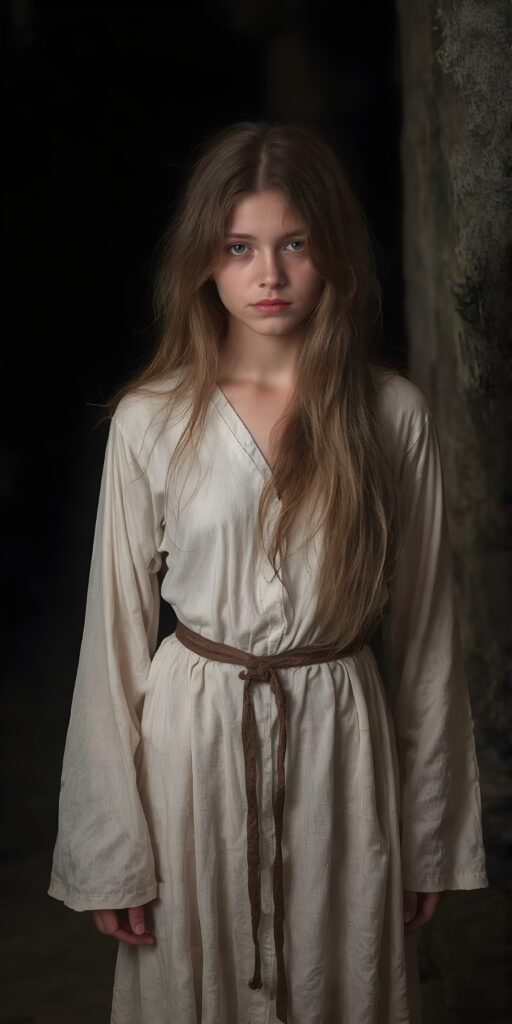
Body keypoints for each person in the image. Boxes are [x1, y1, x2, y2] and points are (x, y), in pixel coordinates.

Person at [48, 120, 488, 1024]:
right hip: (193, 751)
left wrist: (429, 838)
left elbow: (427, 640)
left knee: (344, 980)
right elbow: (114, 644)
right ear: (204, 261)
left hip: (341, 742)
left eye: (295, 244)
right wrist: (108, 848)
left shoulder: (391, 414)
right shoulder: (151, 419)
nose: (270, 274)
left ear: (333, 253)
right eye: (240, 247)